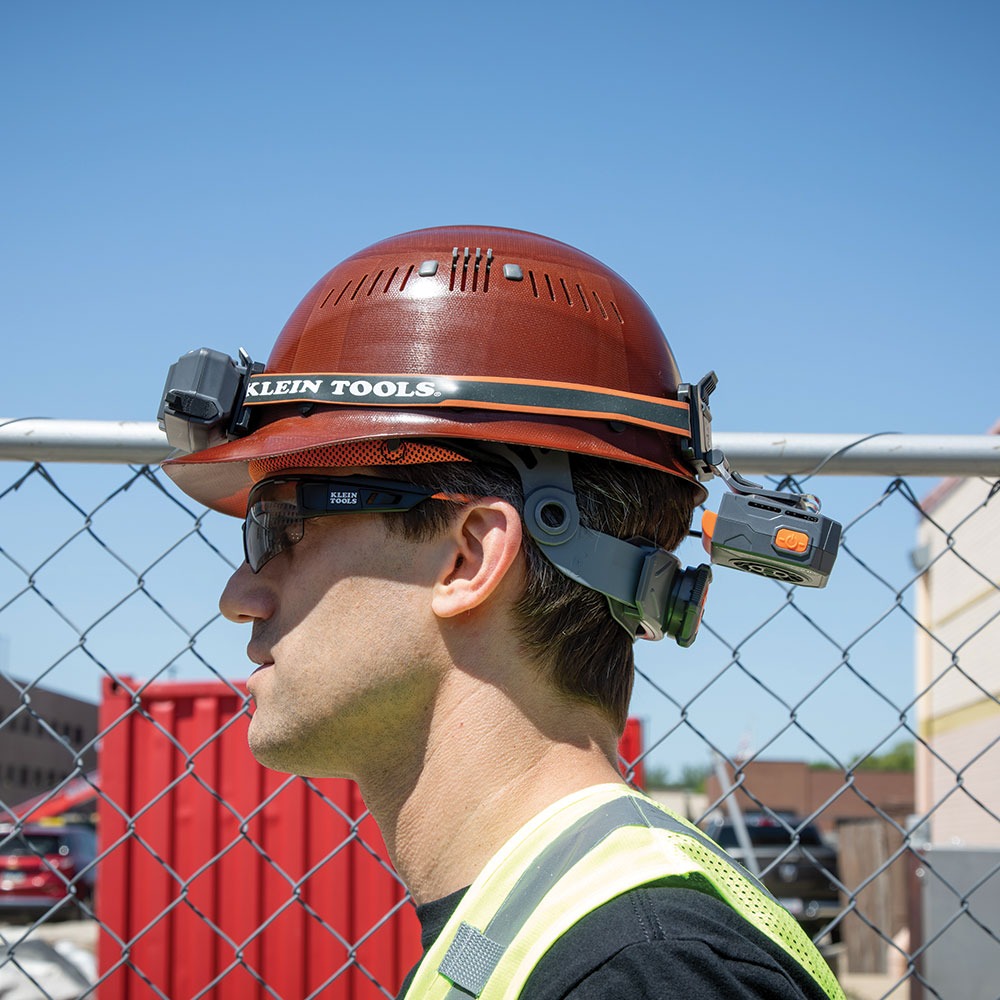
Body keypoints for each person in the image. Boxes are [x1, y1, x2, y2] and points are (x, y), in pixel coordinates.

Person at [158, 226, 845, 999]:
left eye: (283, 527)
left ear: (469, 557)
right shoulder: (552, 931)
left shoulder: (636, 971)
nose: (237, 596)